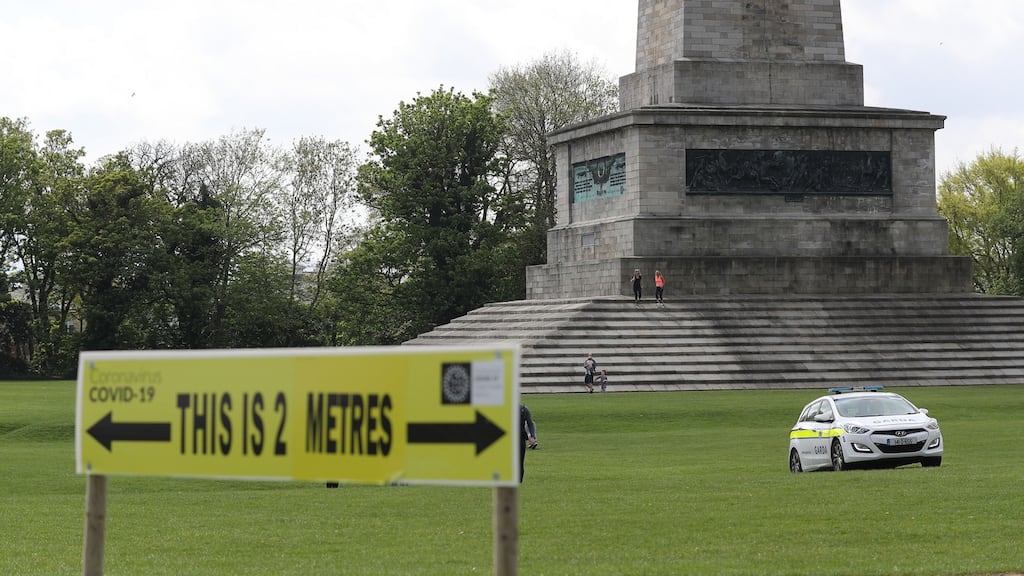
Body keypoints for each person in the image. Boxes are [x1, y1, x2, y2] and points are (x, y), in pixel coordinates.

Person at [519, 403, 538, 482]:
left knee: (519, 462)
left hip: (520, 439)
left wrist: (532, 436)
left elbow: (530, 423)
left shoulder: (523, 409)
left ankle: (519, 481)